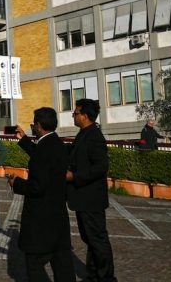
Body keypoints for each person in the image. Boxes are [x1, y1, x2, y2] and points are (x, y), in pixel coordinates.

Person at [11, 108, 76, 282]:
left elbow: (36, 186)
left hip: (40, 218)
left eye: (34, 124)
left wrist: (16, 183)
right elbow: (44, 160)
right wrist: (24, 140)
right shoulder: (58, 144)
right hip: (58, 215)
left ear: (38, 126)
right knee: (62, 263)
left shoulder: (43, 148)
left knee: (34, 264)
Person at [68, 98, 116, 282]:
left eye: (76, 113)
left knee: (97, 239)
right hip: (83, 198)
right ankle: (94, 274)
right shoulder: (83, 134)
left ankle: (106, 277)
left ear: (85, 116)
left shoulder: (94, 136)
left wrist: (75, 176)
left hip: (91, 198)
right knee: (90, 239)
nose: (74, 115)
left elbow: (100, 167)